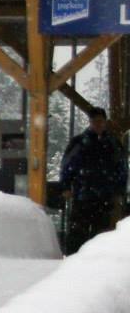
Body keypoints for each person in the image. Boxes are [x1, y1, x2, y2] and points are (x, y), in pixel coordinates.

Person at [60, 106, 128, 254]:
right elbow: (67, 166)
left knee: (102, 233)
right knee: (79, 232)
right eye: (95, 121)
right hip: (82, 195)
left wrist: (119, 190)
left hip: (104, 196)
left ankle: (97, 260)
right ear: (90, 122)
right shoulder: (79, 143)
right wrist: (65, 187)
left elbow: (121, 168)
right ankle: (74, 259)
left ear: (105, 122)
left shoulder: (112, 144)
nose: (98, 125)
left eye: (101, 121)